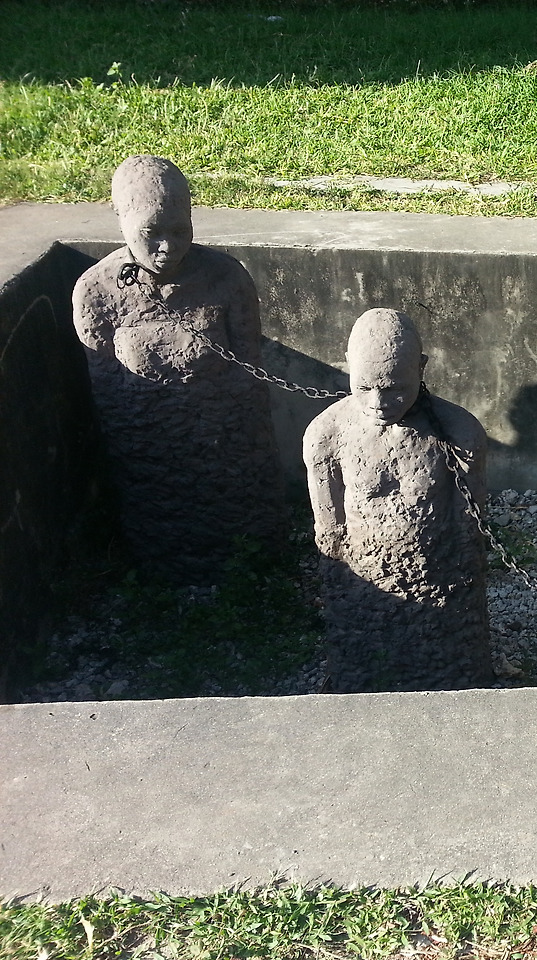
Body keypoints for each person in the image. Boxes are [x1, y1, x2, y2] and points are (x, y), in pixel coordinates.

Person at [72, 155, 284, 583]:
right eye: (151, 233)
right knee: (167, 544)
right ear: (121, 219)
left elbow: (250, 375)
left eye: (179, 230)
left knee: (243, 534)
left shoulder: (227, 278)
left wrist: (240, 451)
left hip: (226, 449)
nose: (167, 247)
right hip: (150, 460)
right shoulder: (96, 292)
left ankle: (252, 569)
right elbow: (107, 395)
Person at [303, 308, 492, 692]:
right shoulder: (326, 435)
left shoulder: (459, 433)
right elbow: (329, 533)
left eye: (394, 388)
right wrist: (344, 590)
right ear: (348, 366)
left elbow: (468, 528)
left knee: (443, 662)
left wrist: (460, 582)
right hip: (364, 585)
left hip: (437, 581)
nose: (378, 402)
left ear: (420, 368)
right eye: (364, 387)